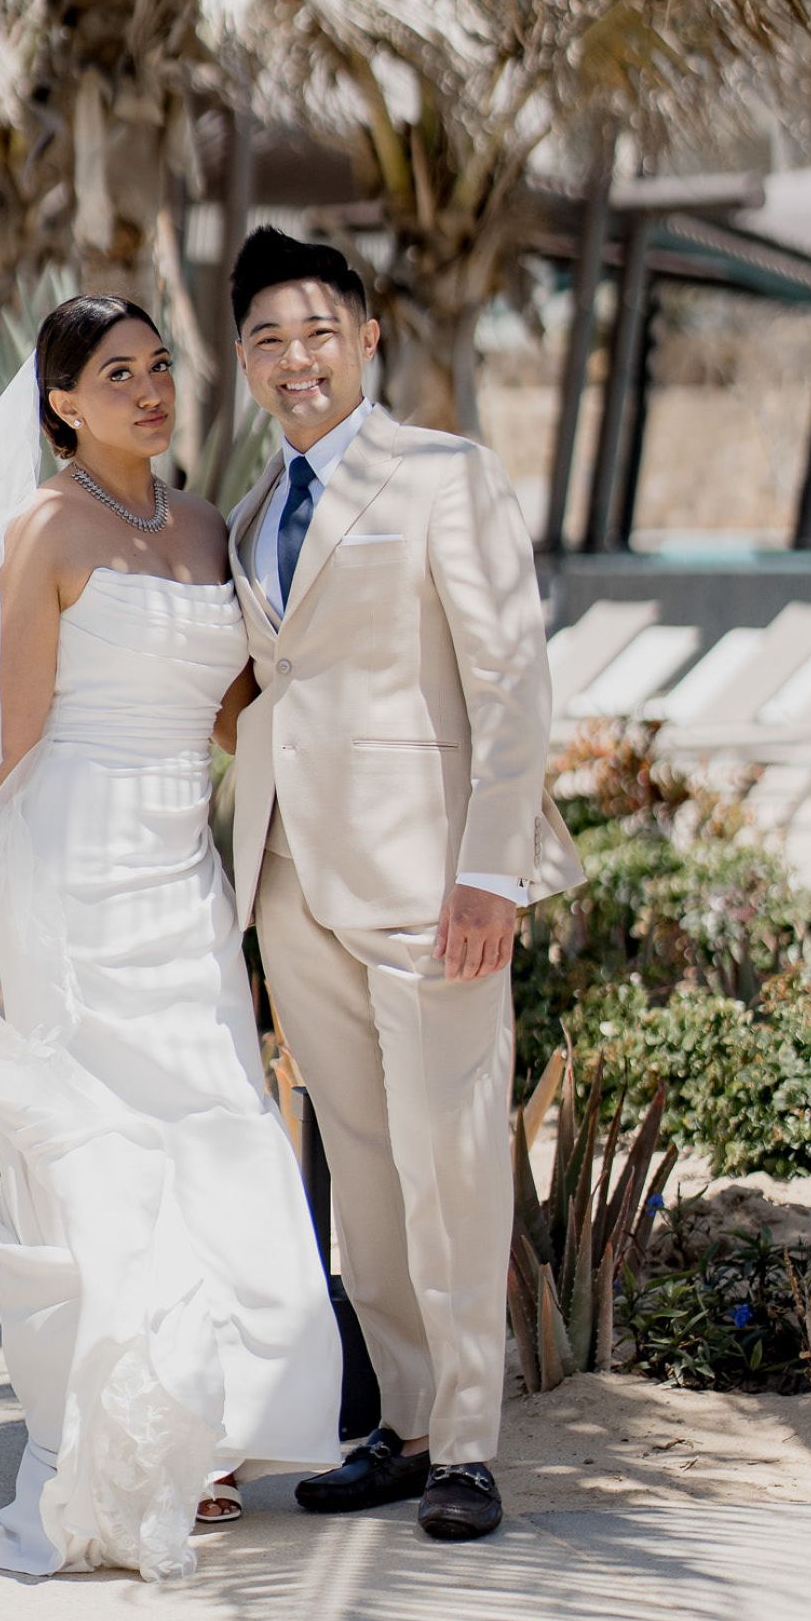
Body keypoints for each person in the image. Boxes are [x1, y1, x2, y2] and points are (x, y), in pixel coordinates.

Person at [0, 296, 340, 1582]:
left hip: (181, 872)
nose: (151, 390)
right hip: (76, 875)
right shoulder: (45, 529)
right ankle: (138, 1435)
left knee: (216, 1121)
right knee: (113, 1144)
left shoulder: (209, 527)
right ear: (62, 404)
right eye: (118, 374)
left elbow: (228, 711)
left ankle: (218, 1428)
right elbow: (14, 721)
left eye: (161, 367)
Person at [225, 227, 583, 1544]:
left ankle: (473, 1446)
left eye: (318, 330)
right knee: (365, 1169)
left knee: (450, 1159)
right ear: (246, 361)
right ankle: (405, 1423)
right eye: (267, 338)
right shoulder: (256, 511)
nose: (294, 357)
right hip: (292, 883)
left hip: (434, 882)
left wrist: (492, 870)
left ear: (368, 338)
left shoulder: (445, 474)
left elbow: (511, 679)